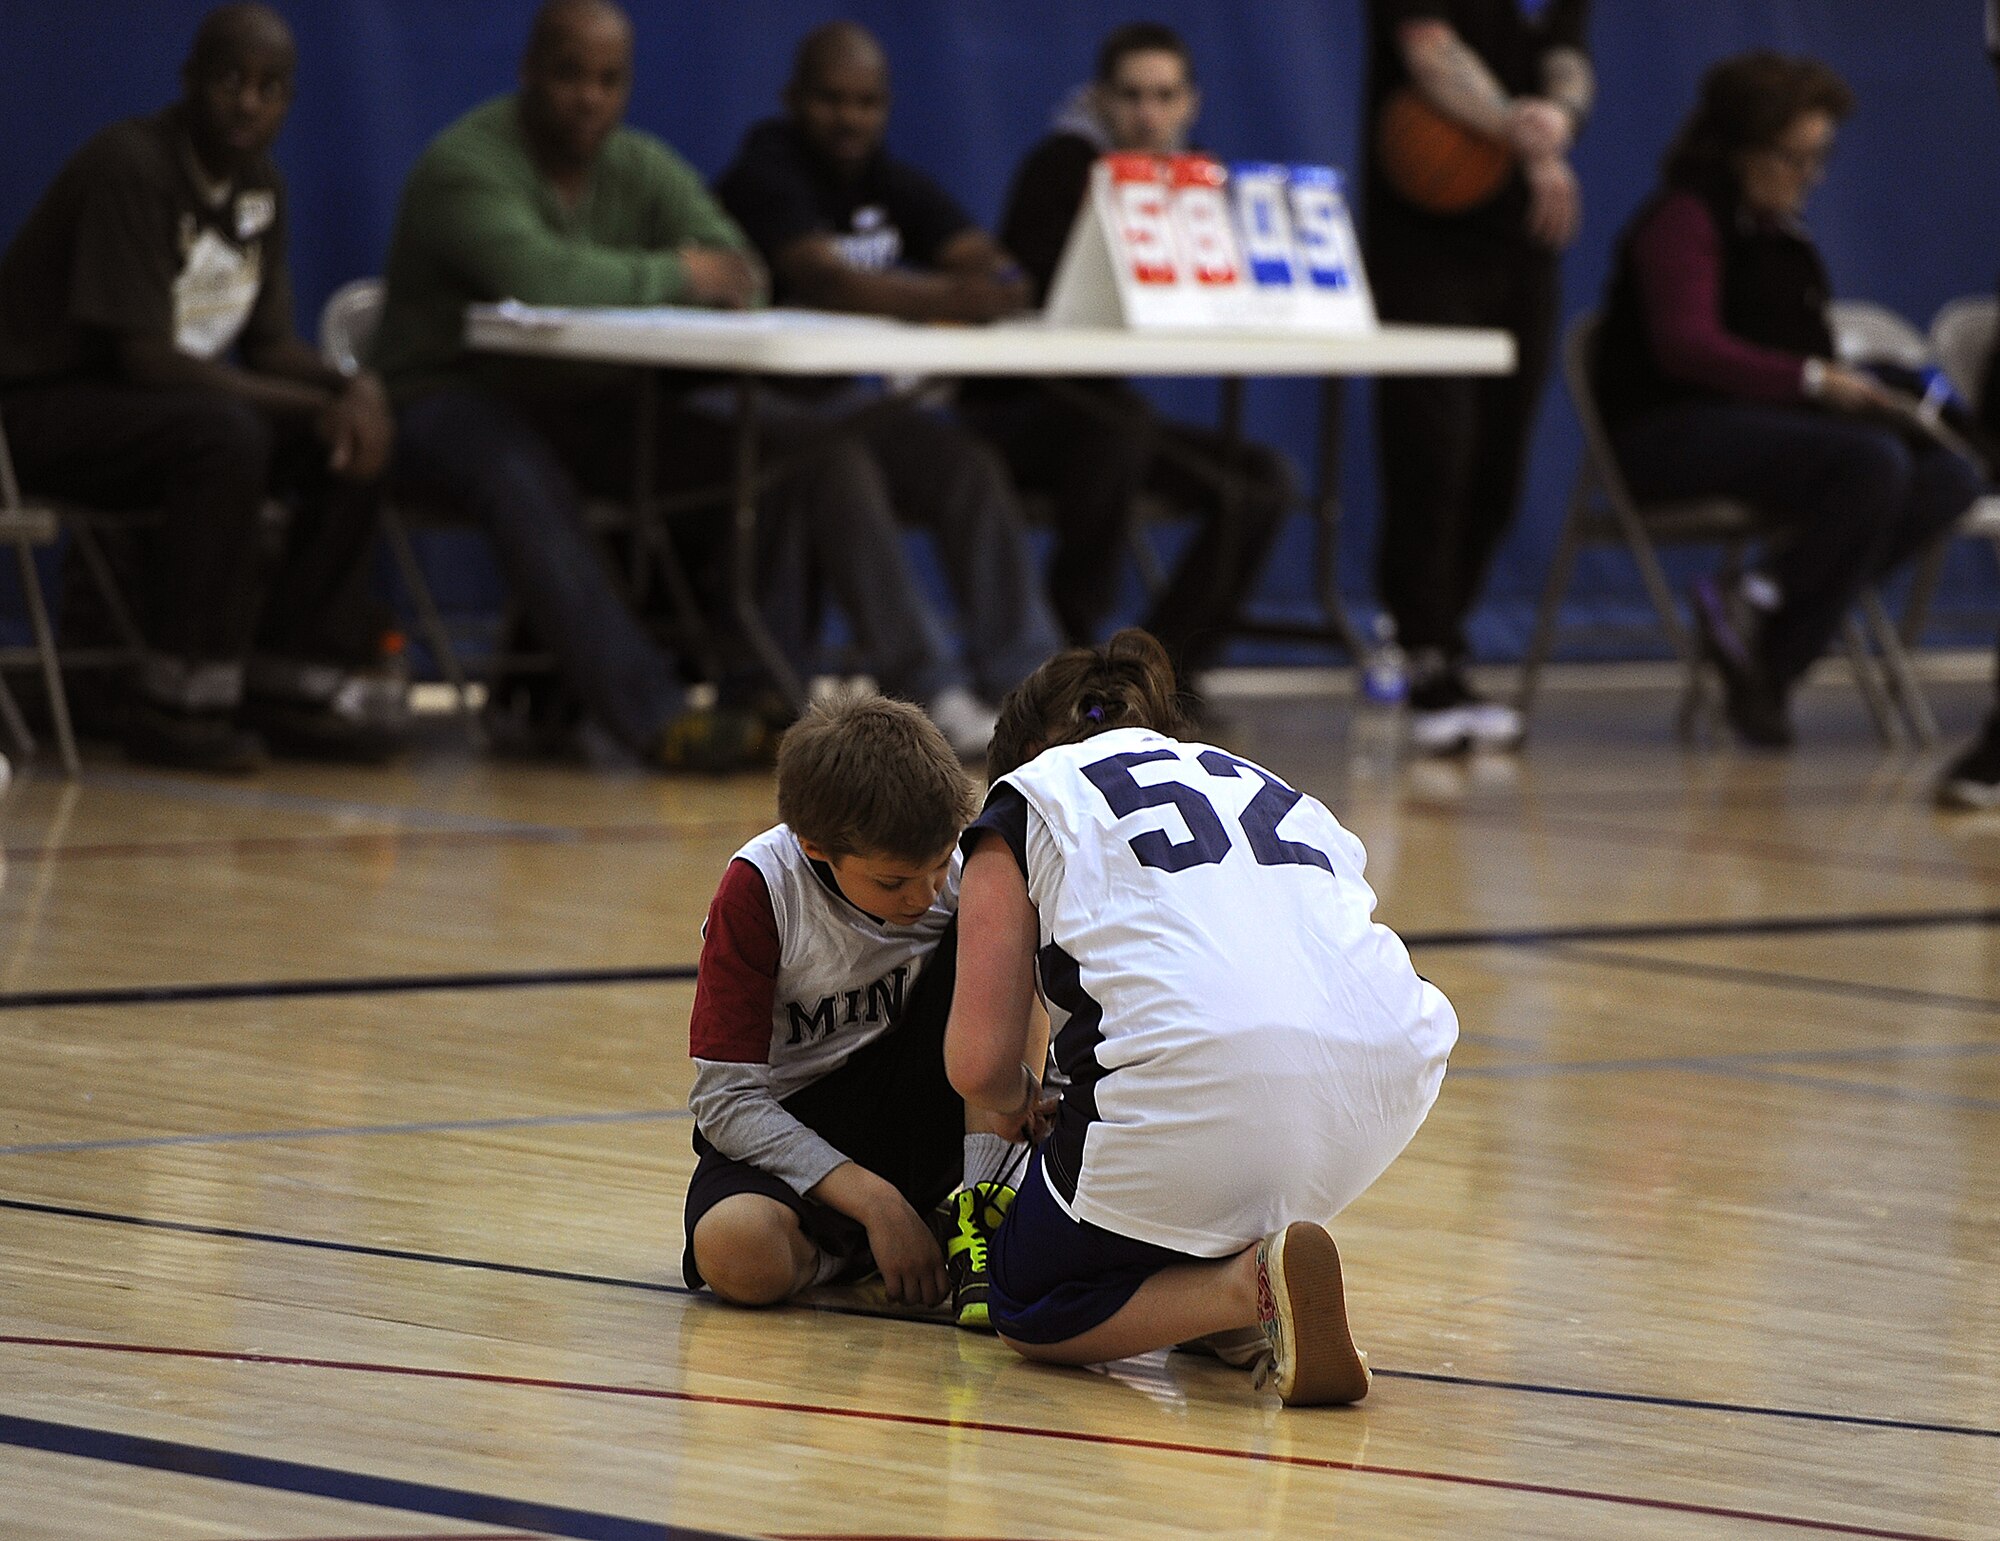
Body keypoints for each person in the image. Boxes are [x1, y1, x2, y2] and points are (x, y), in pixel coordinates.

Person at [944, 629, 1457, 1405]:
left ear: (1020, 753)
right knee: (1185, 1179)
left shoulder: (1026, 797)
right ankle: (1251, 1291)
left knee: (1027, 1299)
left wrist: (1026, 1103)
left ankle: (1238, 1290)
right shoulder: (1266, 782)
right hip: (1386, 1080)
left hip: (1196, 1089)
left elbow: (977, 1064)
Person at [370, 0, 791, 771]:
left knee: (760, 457)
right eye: (570, 74)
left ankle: (760, 693)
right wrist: (677, 273)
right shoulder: (464, 164)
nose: (589, 97)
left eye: (609, 79)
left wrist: (700, 273)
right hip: (437, 399)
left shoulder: (638, 164)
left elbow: (741, 272)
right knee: (519, 468)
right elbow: (542, 278)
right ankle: (655, 714)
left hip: (579, 399)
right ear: (529, 71)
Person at [0, 3, 407, 772]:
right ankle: (176, 698)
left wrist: (353, 389)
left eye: (270, 87)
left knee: (358, 440)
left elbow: (266, 345)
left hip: (162, 408)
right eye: (230, 80)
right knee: (225, 436)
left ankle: (291, 679)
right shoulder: (134, 166)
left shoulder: (261, 186)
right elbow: (143, 360)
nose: (248, 102)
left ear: (289, 101)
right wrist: (316, 406)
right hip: (40, 408)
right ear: (188, 81)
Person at [1592, 52, 1982, 750]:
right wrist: (1812, 381)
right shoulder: (1684, 220)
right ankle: (1765, 630)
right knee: (1872, 465)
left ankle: (1764, 632)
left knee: (1949, 475)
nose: (1809, 177)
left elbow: (1799, 347)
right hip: (1668, 432)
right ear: (1741, 148)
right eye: (1793, 158)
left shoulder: (1786, 238)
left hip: (1771, 434)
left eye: (1818, 158)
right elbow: (1690, 348)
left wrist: (1853, 386)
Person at [712, 21, 1067, 753]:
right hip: (743, 403)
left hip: (840, 401)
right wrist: (952, 294)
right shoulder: (765, 171)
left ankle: (1029, 685)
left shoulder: (886, 178)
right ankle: (928, 686)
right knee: (838, 464)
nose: (850, 118)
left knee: (964, 465)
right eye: (832, 100)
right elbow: (826, 278)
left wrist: (982, 284)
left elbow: (1001, 271)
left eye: (867, 102)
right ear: (793, 99)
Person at [683, 693, 1034, 1328]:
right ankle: (885, 1243)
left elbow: (1026, 1010)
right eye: (895, 882)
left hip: (938, 1111)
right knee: (735, 1250)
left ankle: (983, 1209)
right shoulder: (761, 890)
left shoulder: (968, 869)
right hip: (804, 1130)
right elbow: (725, 1102)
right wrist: (877, 1206)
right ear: (816, 849)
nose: (926, 896)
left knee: (1011, 928)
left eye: (937, 867)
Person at [966, 21, 1294, 689]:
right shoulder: (1061, 166)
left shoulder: (1194, 178)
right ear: (1100, 100)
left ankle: (1154, 673)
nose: (1149, 113)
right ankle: (1069, 660)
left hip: (1104, 417)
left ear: (1190, 103)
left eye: (1165, 96)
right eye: (1132, 95)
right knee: (1118, 426)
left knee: (1260, 481)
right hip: (1015, 411)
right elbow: (1035, 300)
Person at [1364, 0, 1593, 754]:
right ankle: (1425, 656)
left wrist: (1557, 116)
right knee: (1436, 453)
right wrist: (1518, 128)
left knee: (1498, 469)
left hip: (1522, 241)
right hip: (1424, 243)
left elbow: (1569, 58)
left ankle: (1440, 637)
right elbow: (1431, 53)